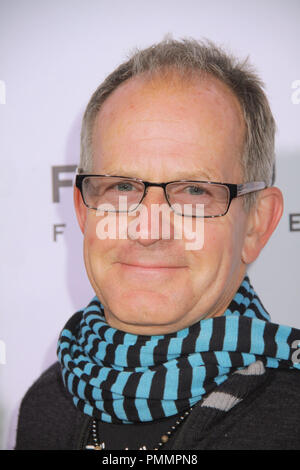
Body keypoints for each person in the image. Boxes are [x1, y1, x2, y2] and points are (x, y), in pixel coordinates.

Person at [15, 37, 300, 450]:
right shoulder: (45, 405)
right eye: (122, 186)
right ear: (82, 211)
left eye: (194, 192)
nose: (148, 231)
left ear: (256, 224)